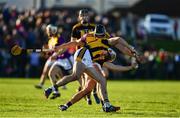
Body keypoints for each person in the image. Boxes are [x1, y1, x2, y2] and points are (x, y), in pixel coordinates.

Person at [44, 24, 140, 112]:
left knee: (101, 81)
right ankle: (52, 88)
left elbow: (117, 64)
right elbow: (74, 43)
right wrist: (131, 48)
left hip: (89, 61)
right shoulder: (96, 38)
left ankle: (106, 105)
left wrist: (131, 64)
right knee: (76, 77)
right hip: (83, 54)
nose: (98, 37)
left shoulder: (103, 54)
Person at [59, 48, 138, 111]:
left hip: (87, 68)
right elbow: (116, 67)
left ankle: (66, 105)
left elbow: (115, 67)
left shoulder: (98, 56)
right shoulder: (100, 59)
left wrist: (130, 67)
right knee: (101, 81)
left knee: (86, 90)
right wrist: (130, 67)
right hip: (90, 69)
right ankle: (106, 104)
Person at [71, 9, 98, 105]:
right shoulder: (76, 28)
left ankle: (92, 92)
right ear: (79, 17)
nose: (84, 17)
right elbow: (73, 42)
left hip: (92, 54)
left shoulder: (94, 27)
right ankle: (88, 96)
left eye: (86, 15)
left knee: (92, 75)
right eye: (82, 15)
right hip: (81, 55)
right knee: (83, 78)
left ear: (89, 16)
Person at [35, 24, 73, 91]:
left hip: (62, 58)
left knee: (68, 73)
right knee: (47, 70)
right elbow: (51, 52)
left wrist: (56, 54)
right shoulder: (50, 41)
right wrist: (46, 52)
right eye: (47, 30)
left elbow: (64, 48)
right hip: (55, 58)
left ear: (54, 30)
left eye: (49, 30)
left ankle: (62, 84)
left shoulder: (59, 38)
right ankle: (42, 84)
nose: (48, 32)